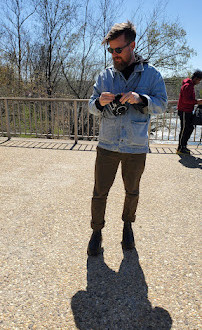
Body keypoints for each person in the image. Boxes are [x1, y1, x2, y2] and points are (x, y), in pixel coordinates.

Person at [87, 21, 167, 256]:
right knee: (99, 192)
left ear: (132, 45)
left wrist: (141, 99)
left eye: (118, 50)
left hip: (135, 146)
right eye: (110, 50)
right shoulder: (104, 76)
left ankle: (127, 226)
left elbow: (162, 104)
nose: (114, 55)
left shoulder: (152, 75)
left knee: (132, 191)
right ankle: (96, 232)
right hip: (107, 144)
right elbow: (90, 106)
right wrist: (99, 103)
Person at [177, 70, 202, 155]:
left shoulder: (191, 85)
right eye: (199, 80)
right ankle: (180, 148)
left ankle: (183, 146)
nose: (199, 82)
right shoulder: (187, 86)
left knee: (190, 128)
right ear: (195, 78)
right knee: (184, 129)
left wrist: (196, 102)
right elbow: (185, 100)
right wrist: (196, 102)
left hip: (188, 110)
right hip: (184, 110)